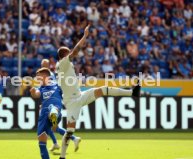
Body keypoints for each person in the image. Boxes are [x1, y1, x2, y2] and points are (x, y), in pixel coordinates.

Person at [56, 25, 141, 159]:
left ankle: (132, 93)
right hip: (71, 103)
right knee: (70, 132)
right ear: (63, 55)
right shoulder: (62, 63)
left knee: (103, 90)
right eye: (68, 53)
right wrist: (84, 36)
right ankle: (62, 157)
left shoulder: (65, 66)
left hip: (80, 96)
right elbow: (76, 51)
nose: (70, 55)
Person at [41, 59, 81, 152]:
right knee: (52, 126)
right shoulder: (47, 75)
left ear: (47, 65)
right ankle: (72, 139)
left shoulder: (48, 76)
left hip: (52, 102)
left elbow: (50, 90)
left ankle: (70, 139)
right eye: (42, 65)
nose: (42, 66)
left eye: (44, 65)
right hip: (52, 101)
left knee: (49, 125)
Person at [30, 68, 63, 159]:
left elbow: (67, 94)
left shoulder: (57, 86)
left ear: (45, 76)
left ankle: (54, 117)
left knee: (52, 108)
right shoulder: (41, 88)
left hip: (55, 108)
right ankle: (54, 122)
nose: (36, 79)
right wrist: (33, 92)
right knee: (41, 143)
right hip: (43, 115)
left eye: (38, 76)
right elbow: (36, 94)